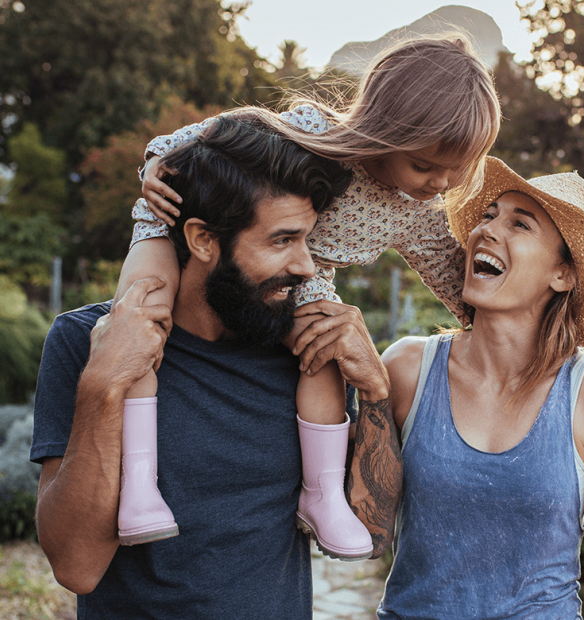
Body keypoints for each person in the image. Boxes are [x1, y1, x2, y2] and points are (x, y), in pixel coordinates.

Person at [116, 33, 502, 558]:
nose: (441, 182)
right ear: (383, 129)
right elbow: (195, 140)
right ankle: (137, 482)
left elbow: (455, 281)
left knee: (323, 350)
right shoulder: (311, 132)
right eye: (425, 165)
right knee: (142, 316)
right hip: (177, 226)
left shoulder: (416, 212)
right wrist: (157, 171)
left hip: (299, 275)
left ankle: (320, 494)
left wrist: (509, 322)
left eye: (458, 170)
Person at [31, 115, 402, 619]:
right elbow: (77, 567)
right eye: (281, 240)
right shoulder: (84, 340)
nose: (306, 266)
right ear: (203, 240)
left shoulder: (304, 353)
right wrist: (102, 384)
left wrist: (376, 390)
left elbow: (373, 534)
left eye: (307, 240)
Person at [377, 157, 584, 619]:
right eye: (488, 215)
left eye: (520, 224)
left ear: (563, 275)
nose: (488, 230)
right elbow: (359, 525)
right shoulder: (407, 369)